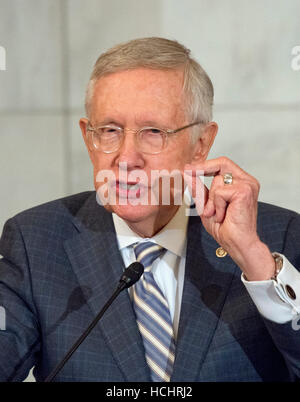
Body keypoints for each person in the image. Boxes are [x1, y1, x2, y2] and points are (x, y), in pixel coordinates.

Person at [0, 37, 299, 382]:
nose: (127, 159)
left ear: (200, 144)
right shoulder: (35, 242)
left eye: (153, 132)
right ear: (88, 138)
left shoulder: (280, 236)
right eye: (110, 131)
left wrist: (256, 261)